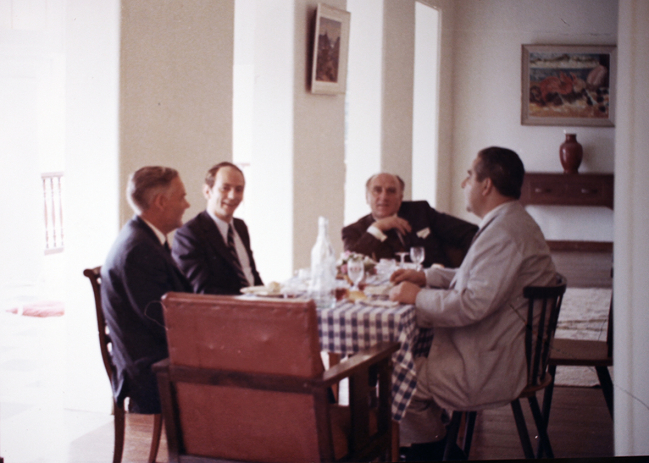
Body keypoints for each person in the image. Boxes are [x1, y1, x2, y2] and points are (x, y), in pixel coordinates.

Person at [389, 147, 556, 461]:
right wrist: (426, 277)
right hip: (506, 346)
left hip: (493, 362)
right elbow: (477, 277)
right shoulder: (511, 221)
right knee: (414, 359)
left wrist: (416, 297)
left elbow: (471, 304)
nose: (464, 183)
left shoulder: (504, 232)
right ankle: (441, 449)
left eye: (469, 175)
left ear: (487, 185)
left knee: (396, 377)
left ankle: (439, 454)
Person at [101, 166, 193, 414]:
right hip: (150, 371)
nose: (187, 204)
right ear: (161, 202)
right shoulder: (138, 250)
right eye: (182, 196)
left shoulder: (145, 239)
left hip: (157, 358)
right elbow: (163, 322)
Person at [342, 173, 478, 268]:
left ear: (400, 198)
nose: (384, 196)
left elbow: (471, 233)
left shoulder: (420, 212)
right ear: (367, 197)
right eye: (377, 191)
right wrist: (377, 228)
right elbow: (349, 263)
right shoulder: (353, 230)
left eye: (391, 191)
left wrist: (465, 272)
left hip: (432, 288)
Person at [172, 162, 262, 295]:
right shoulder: (189, 234)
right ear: (207, 191)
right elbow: (203, 291)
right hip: (225, 312)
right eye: (225, 188)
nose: (233, 196)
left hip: (257, 309)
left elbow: (250, 275)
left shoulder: (240, 226)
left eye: (239, 189)